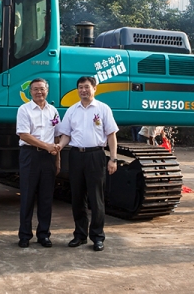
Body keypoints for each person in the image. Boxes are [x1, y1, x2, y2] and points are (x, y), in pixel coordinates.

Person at [56, 76, 118, 252]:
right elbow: (66, 134)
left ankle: (97, 237)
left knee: (96, 198)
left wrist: (113, 159)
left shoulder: (103, 109)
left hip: (95, 155)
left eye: (86, 87)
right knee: (77, 197)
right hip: (76, 156)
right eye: (80, 87)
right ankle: (80, 235)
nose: (83, 90)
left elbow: (111, 135)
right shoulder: (72, 110)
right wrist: (59, 147)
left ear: (94, 88)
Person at [15, 78, 61, 248]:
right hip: (30, 155)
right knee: (27, 196)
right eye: (35, 89)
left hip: (48, 157)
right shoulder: (24, 109)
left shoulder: (53, 111)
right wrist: (46, 146)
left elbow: (57, 135)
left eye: (41, 89)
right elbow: (24, 135)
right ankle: (25, 235)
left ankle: (44, 234)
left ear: (47, 91)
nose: (38, 92)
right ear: (30, 92)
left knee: (46, 197)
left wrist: (57, 159)